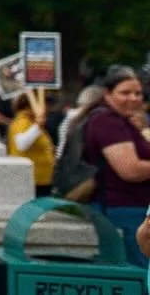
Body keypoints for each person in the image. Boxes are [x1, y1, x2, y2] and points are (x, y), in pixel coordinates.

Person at [81, 65, 150, 268]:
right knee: (137, 272)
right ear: (107, 93)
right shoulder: (107, 122)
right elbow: (129, 169)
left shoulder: (121, 121)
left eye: (138, 93)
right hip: (122, 211)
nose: (134, 98)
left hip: (129, 209)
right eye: (125, 92)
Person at [6, 93, 55, 197]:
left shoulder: (32, 122)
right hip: (31, 179)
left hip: (41, 179)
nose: (48, 109)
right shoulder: (22, 122)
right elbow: (21, 144)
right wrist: (37, 126)